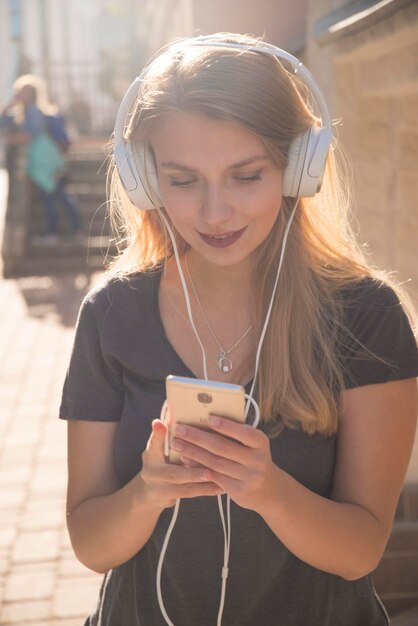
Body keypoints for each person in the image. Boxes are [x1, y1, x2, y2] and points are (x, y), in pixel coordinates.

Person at [59, 33, 418, 626]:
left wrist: (269, 490)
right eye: (182, 180)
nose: (215, 212)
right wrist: (145, 493)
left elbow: (361, 552)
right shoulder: (111, 315)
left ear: (299, 167)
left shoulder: (366, 316)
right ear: (145, 182)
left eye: (246, 176)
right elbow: (92, 546)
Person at [0, 74, 82, 244]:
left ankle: (65, 231)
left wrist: (9, 137)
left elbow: (27, 136)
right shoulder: (27, 112)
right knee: (55, 195)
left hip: (47, 160)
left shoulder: (33, 112)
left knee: (54, 196)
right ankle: (69, 230)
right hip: (46, 160)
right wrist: (9, 105)